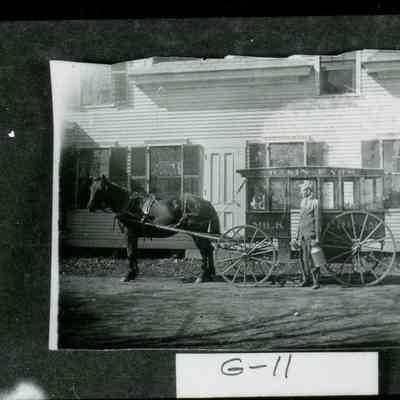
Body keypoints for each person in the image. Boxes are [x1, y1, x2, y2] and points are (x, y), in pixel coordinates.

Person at [295, 180, 322, 289]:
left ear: (308, 191)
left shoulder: (315, 202)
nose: (301, 192)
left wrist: (317, 237)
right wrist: (297, 236)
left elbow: (318, 220)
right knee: (303, 259)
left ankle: (316, 282)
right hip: (302, 235)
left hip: (311, 235)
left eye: (302, 190)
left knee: (314, 259)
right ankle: (306, 279)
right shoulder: (302, 202)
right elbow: (300, 220)